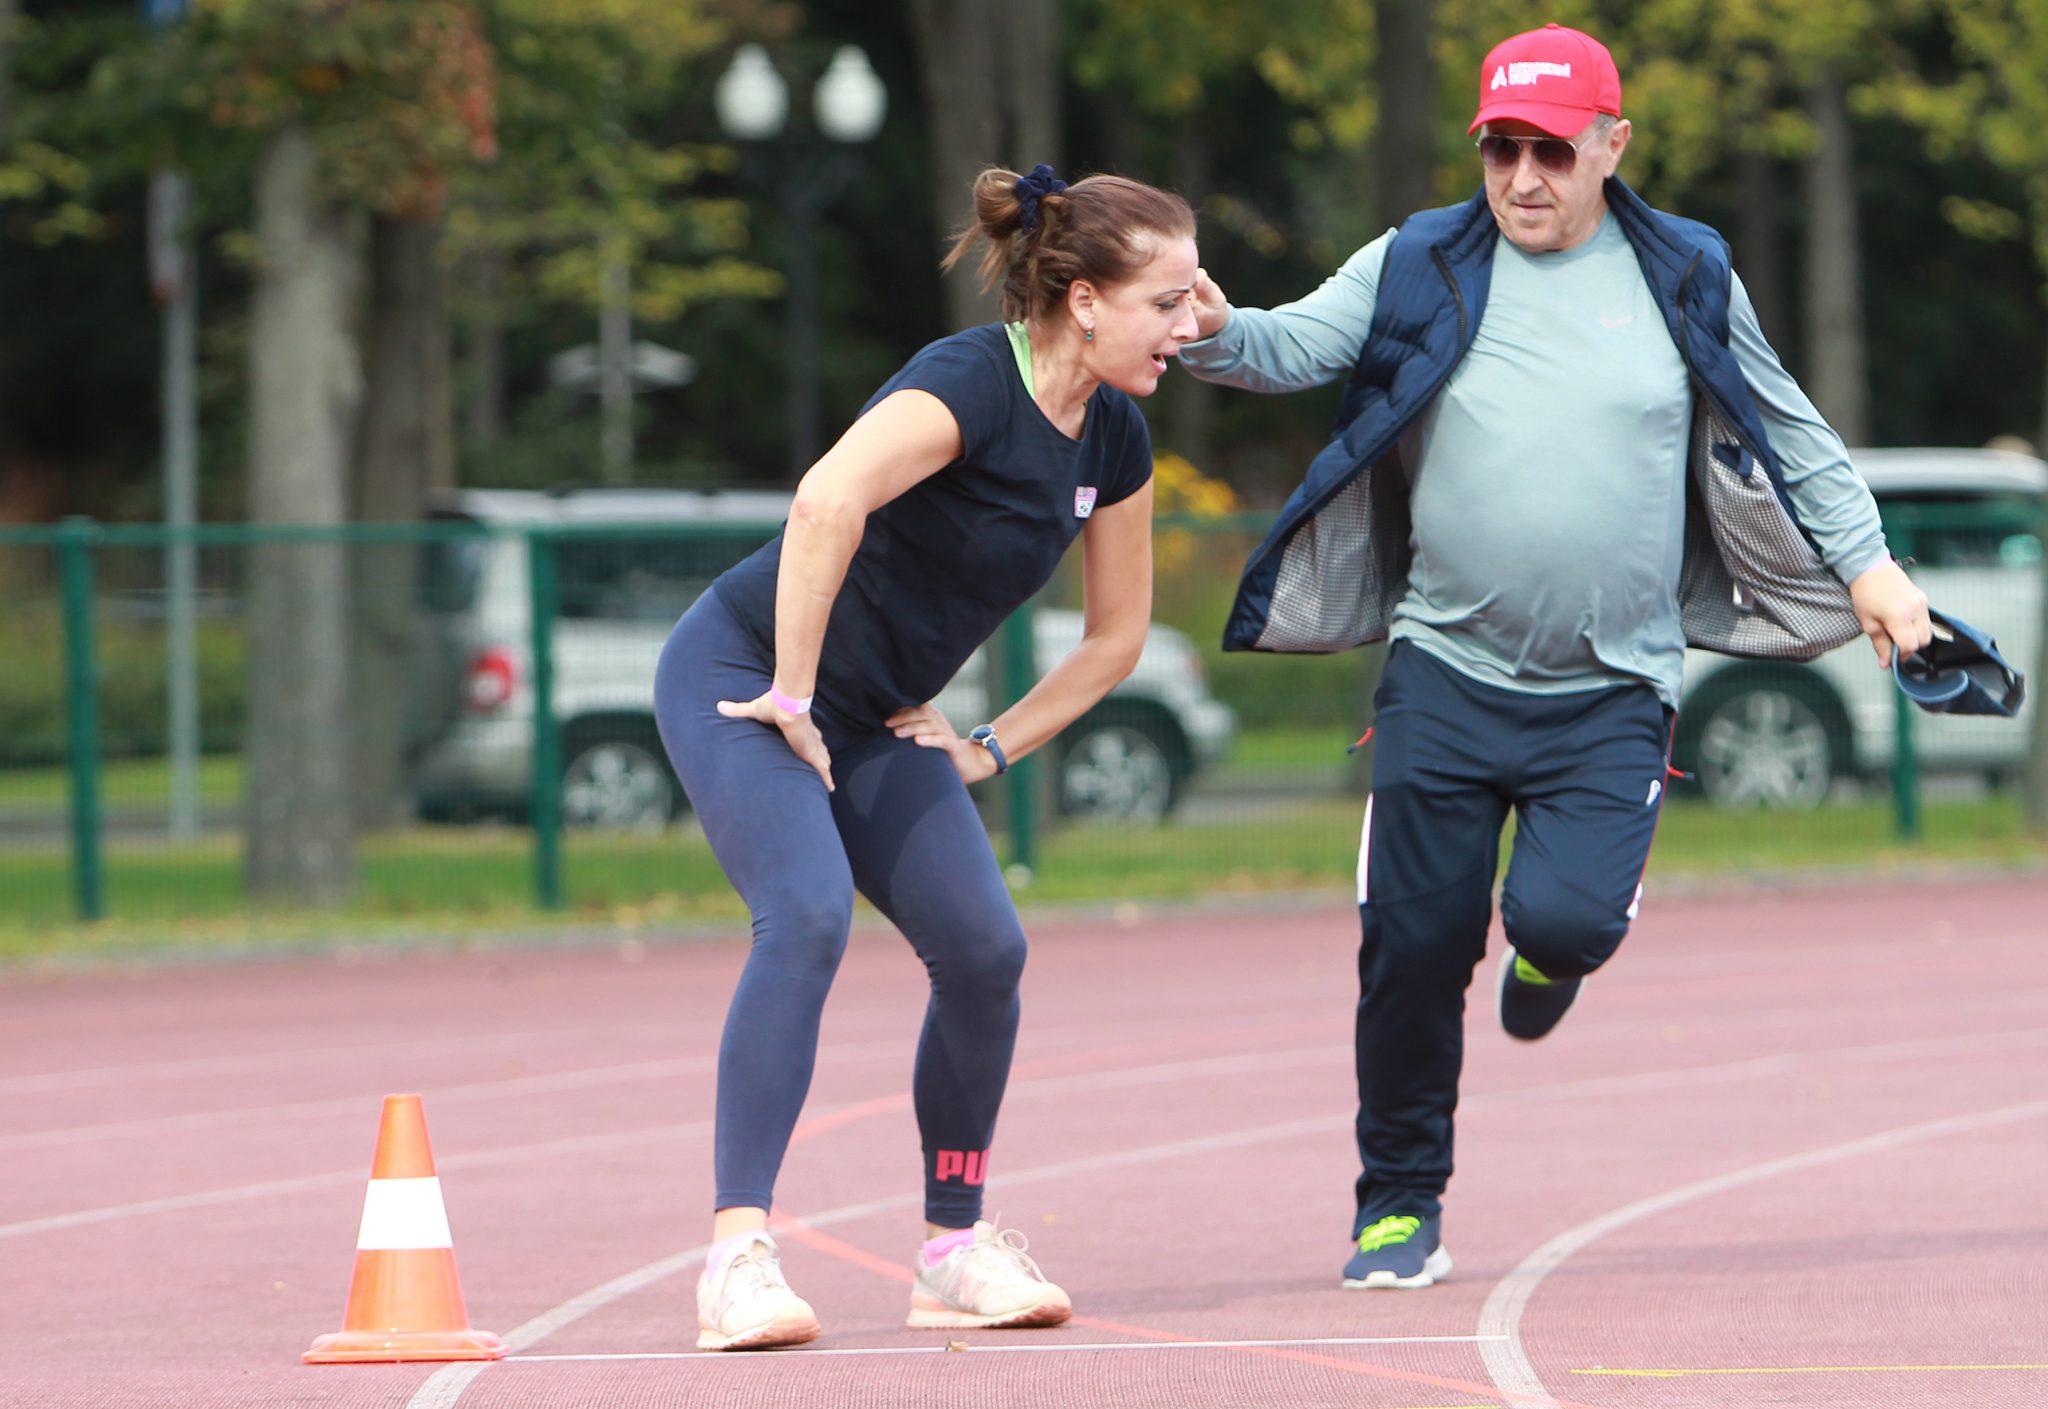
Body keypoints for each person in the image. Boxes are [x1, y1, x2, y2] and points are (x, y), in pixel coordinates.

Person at [1179, 24, 1931, 1290]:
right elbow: (1290, 347)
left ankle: (1552, 949)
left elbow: (1787, 427)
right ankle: (1395, 1202)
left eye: (1550, 150)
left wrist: (1869, 567)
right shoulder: (1421, 258)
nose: (1523, 177)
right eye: (1500, 149)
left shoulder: (1683, 268)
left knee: (1564, 916)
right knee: (1411, 947)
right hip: (1444, 670)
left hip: (1613, 687)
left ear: (1608, 145)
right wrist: (1199, 323)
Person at [654, 164, 1200, 1349]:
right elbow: (823, 500)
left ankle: (951, 1249)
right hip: (745, 676)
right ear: (1088, 301)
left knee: (985, 947)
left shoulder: (1114, 434)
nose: (1189, 322)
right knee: (802, 918)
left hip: (876, 713)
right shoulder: (966, 380)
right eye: (1167, 301)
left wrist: (988, 747)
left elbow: (1114, 639)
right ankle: (736, 1255)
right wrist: (792, 689)